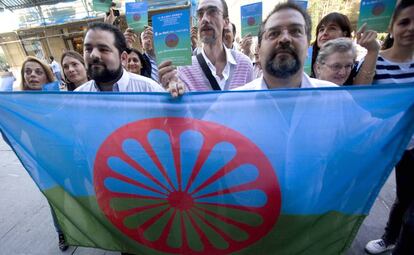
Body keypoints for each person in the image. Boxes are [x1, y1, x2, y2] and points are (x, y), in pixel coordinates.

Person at [365, 1, 414, 254]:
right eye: (404, 22)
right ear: (392, 28)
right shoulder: (377, 60)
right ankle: (390, 237)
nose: (410, 28)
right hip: (392, 144)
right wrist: (371, 54)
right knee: (405, 197)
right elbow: (361, 95)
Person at [20, 56, 68, 251]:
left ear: (47, 77)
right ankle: (62, 233)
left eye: (38, 72)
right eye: (28, 71)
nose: (32, 75)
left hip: (69, 159)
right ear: (23, 77)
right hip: (45, 164)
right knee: (56, 202)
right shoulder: (18, 104)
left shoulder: (57, 98)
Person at [159, 0, 253, 96]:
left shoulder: (245, 65)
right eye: (200, 14)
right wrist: (171, 93)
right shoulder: (184, 70)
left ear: (225, 22)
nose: (205, 19)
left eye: (212, 12)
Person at [236, 2, 335, 90]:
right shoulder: (235, 103)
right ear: (258, 49)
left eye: (296, 31)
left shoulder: (334, 98)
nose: (284, 39)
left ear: (308, 45)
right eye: (273, 33)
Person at [75, 22, 164, 92]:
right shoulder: (76, 99)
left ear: (123, 58)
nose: (93, 55)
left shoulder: (149, 89)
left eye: (103, 49)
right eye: (88, 49)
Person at [311, 12, 379, 85]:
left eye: (332, 28)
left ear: (344, 34)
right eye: (321, 29)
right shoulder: (305, 58)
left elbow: (360, 91)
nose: (324, 33)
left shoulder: (352, 62)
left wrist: (373, 51)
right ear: (317, 67)